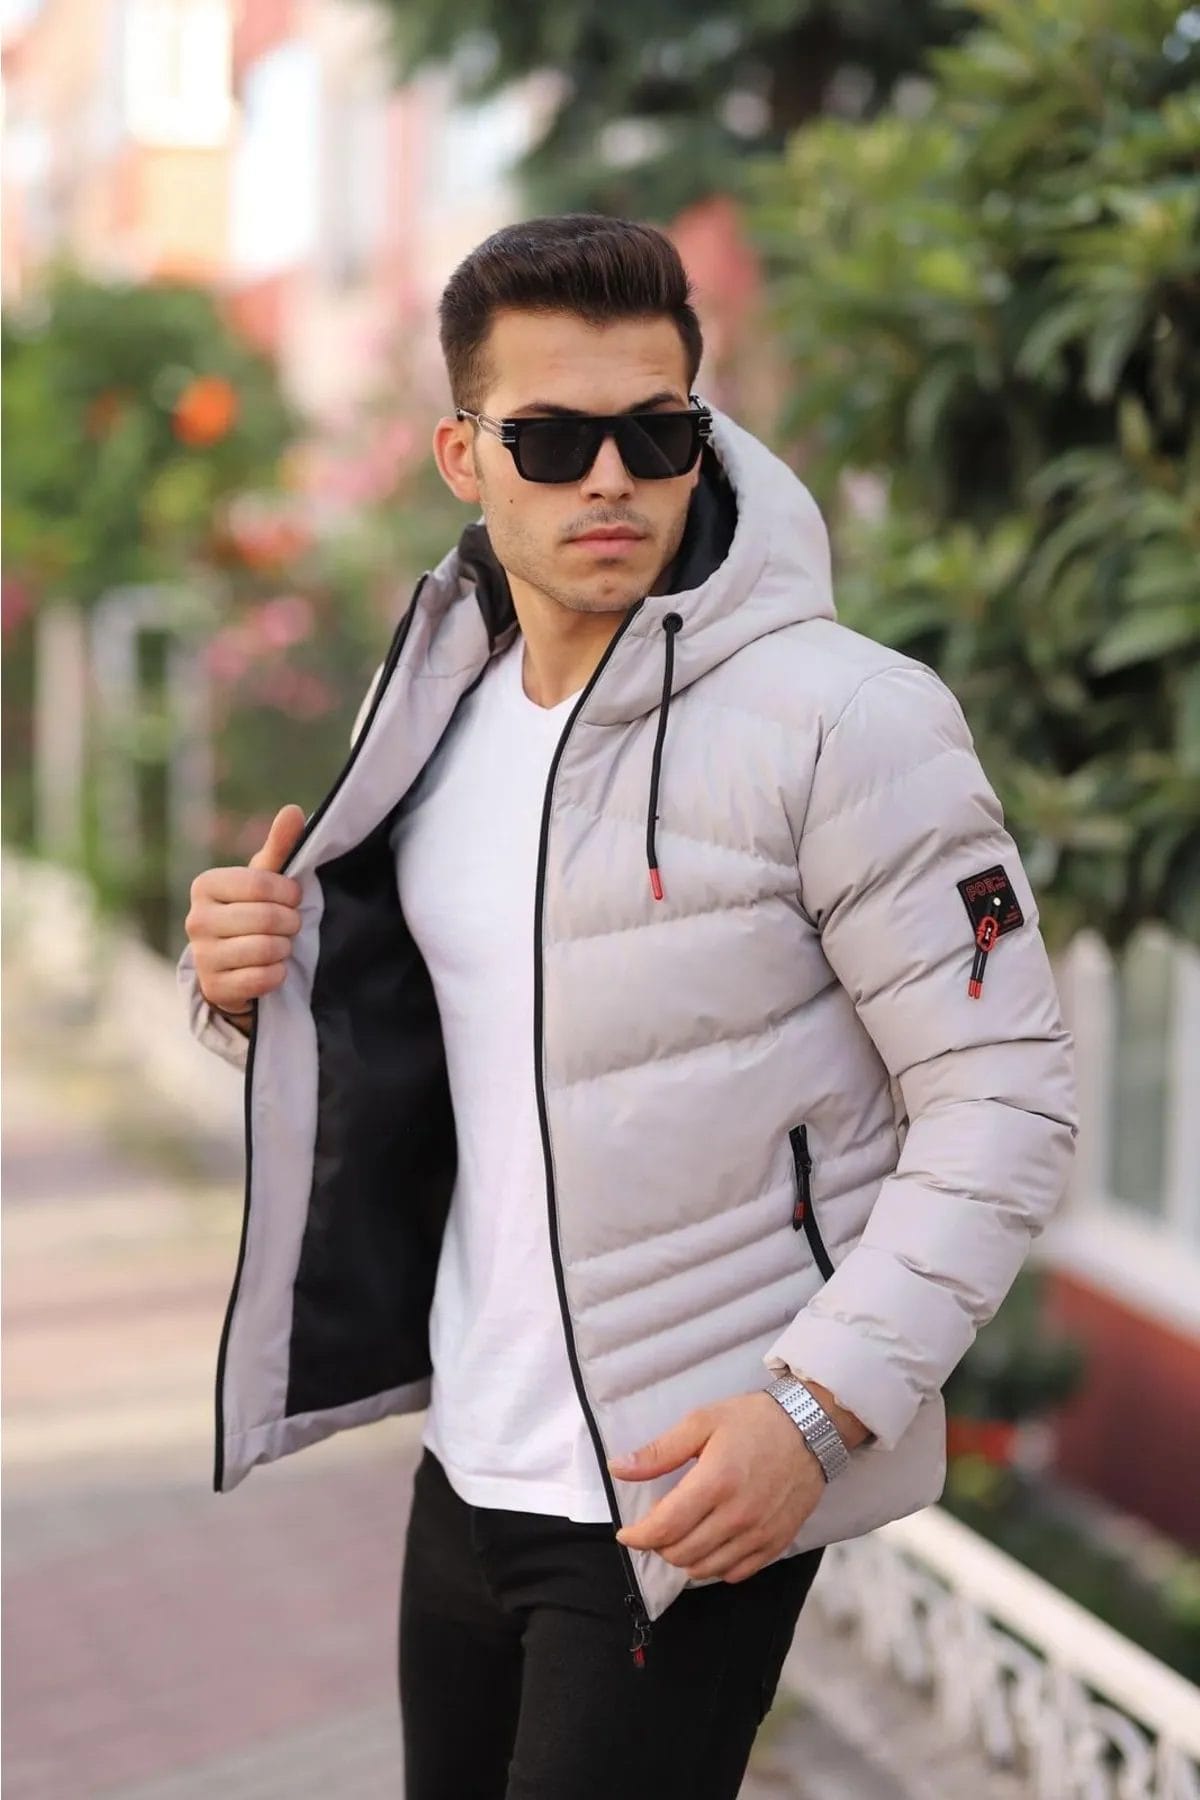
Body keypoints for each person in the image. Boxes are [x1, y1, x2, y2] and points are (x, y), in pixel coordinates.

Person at [178, 214, 1078, 1799]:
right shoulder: (435, 704)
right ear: (463, 455)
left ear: (699, 438)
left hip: (689, 1481)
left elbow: (1006, 1098)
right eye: (551, 439)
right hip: (470, 1464)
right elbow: (467, 1030)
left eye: (655, 434)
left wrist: (817, 1412)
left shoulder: (849, 720)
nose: (610, 479)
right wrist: (249, 985)